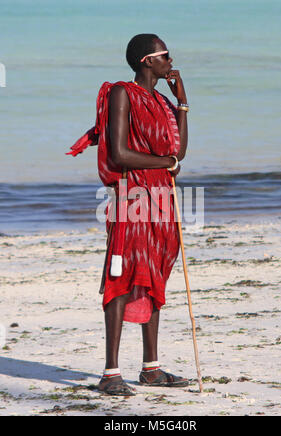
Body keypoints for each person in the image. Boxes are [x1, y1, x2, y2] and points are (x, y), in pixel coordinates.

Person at [67, 34, 189, 396]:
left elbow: (179, 152)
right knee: (121, 274)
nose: (171, 60)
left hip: (162, 199)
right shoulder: (122, 93)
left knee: (154, 274)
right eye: (165, 55)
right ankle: (110, 373)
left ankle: (151, 368)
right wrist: (167, 162)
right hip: (132, 196)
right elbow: (119, 153)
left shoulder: (163, 101)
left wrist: (183, 103)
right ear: (146, 61)